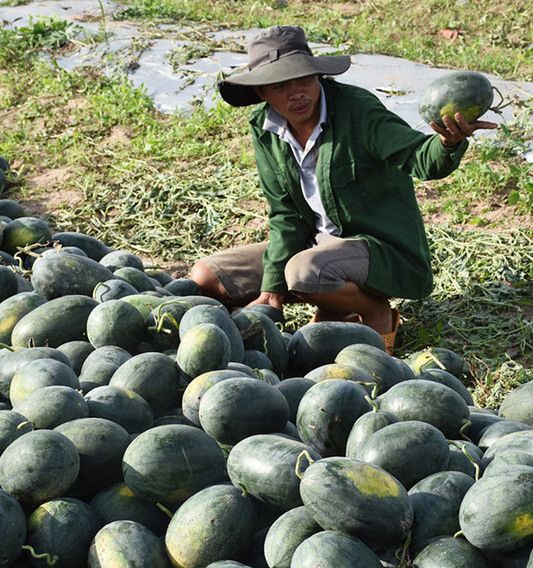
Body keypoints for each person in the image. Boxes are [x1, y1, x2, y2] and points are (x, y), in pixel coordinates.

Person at [189, 25, 497, 354]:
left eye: (304, 79)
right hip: (315, 244)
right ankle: (335, 304)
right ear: (262, 92)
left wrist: (448, 143)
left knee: (304, 273)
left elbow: (419, 157)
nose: (297, 94)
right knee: (206, 276)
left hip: (377, 249)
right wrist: (271, 291)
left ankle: (373, 309)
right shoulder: (266, 129)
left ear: (317, 75)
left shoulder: (357, 110)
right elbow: (285, 214)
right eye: (280, 86)